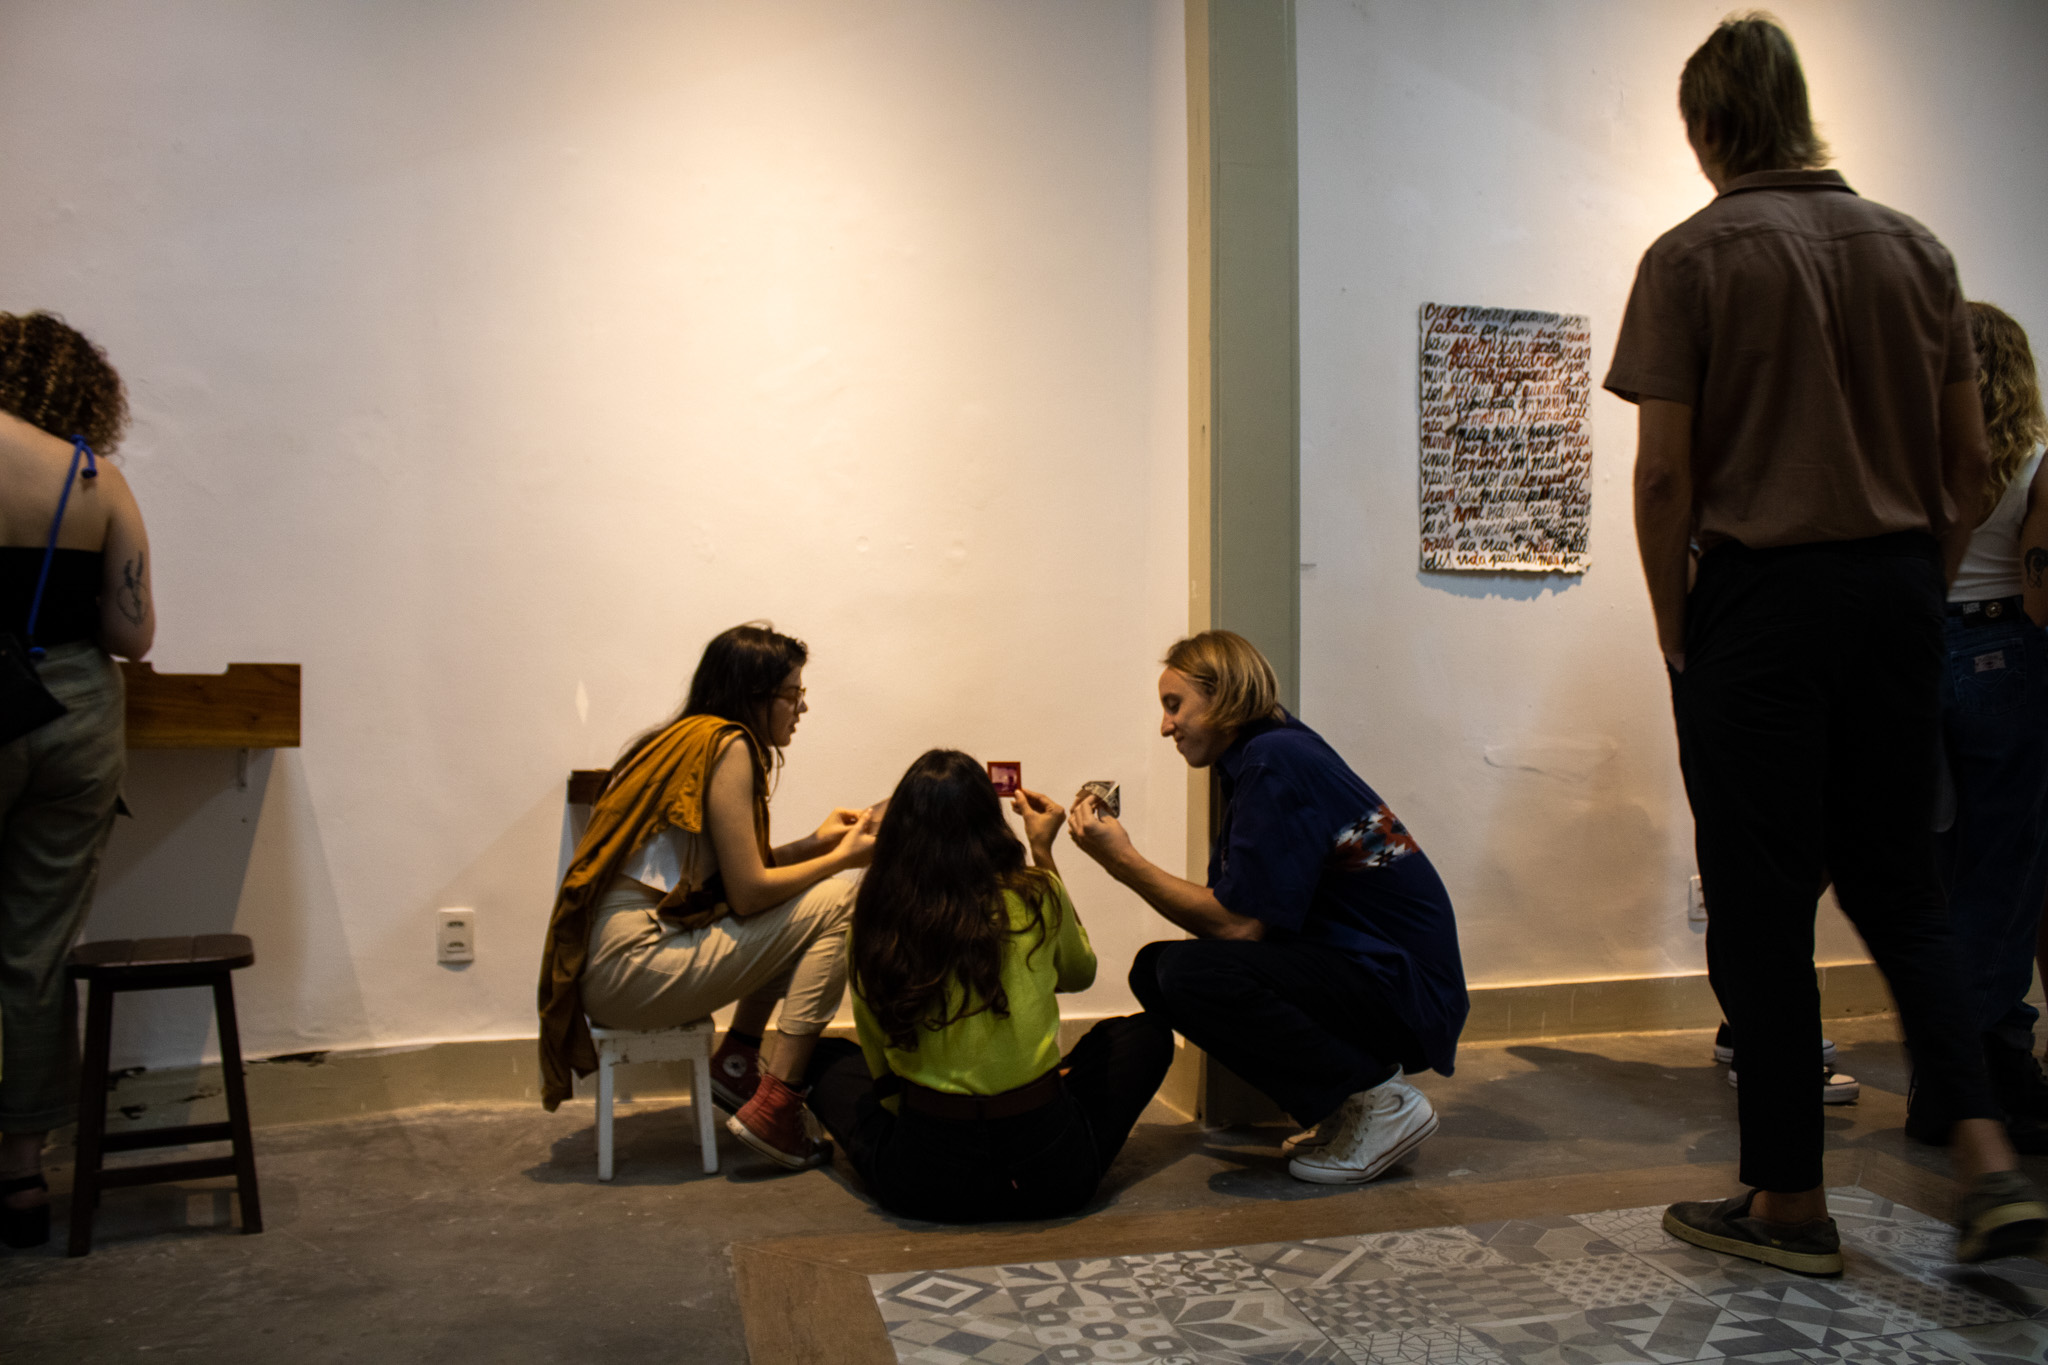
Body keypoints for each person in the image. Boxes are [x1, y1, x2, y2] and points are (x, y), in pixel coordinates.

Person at [1610, 15, 2046, 1273]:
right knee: (1901, 887)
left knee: (1759, 904)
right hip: (1897, 594)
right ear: (1800, 111)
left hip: (1759, 603)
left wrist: (1675, 625)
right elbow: (1966, 464)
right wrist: (1913, 580)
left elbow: (1662, 479)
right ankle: (1983, 1153)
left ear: (1705, 126)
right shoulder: (1917, 251)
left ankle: (1789, 1203)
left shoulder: (1689, 258)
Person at [1065, 629, 1468, 1185]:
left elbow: (1236, 927)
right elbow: (1240, 912)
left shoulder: (1274, 760)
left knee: (1187, 974)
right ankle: (1350, 1105)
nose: (1165, 726)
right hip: (1380, 976)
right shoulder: (1265, 755)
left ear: (1222, 696)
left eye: (1174, 705)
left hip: (1406, 992)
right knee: (1155, 970)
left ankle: (1381, 1103)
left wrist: (1122, 861)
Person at [537, 623, 879, 1169]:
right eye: (792, 694)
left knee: (806, 905)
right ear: (754, 694)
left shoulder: (688, 738)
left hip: (614, 965)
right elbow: (749, 894)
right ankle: (777, 1103)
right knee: (838, 901)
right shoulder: (730, 746)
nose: (801, 708)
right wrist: (843, 859)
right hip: (634, 966)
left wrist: (817, 843)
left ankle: (738, 1064)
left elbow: (732, 876)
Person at [806, 750, 1172, 1222]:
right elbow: (1078, 975)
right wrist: (1043, 852)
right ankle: (1047, 1087)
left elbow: (878, 1051)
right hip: (1051, 1175)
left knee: (824, 1057)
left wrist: (914, 1115)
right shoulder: (1037, 891)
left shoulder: (876, 914)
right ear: (991, 822)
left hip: (925, 1182)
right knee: (1144, 1035)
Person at [0, 312, 154, 1250]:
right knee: (38, 944)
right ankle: (21, 1174)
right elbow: (132, 634)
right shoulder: (94, 478)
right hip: (73, 709)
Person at [1933, 302, 2048, 1149]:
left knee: (1935, 873)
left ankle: (1947, 1073)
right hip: (2003, 654)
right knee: (2005, 872)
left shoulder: (1912, 456)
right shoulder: (2035, 466)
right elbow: (2041, 596)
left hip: (1912, 656)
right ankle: (1980, 1075)